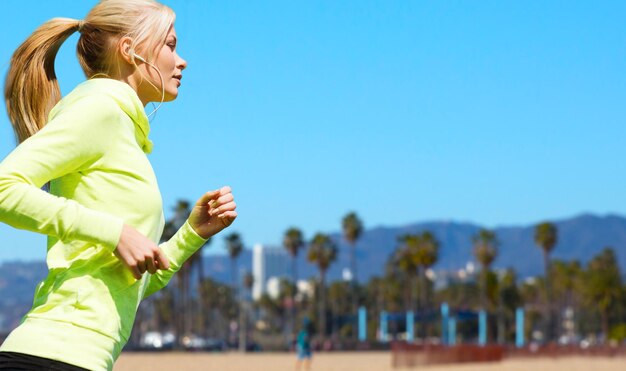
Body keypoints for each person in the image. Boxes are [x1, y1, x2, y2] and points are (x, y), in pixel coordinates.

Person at [0, 1, 237, 370]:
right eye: (170, 45)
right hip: (51, 355)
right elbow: (4, 188)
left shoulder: (124, 130)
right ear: (130, 51)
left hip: (79, 359)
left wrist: (191, 234)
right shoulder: (99, 111)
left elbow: (131, 281)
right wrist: (115, 233)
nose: (182, 61)